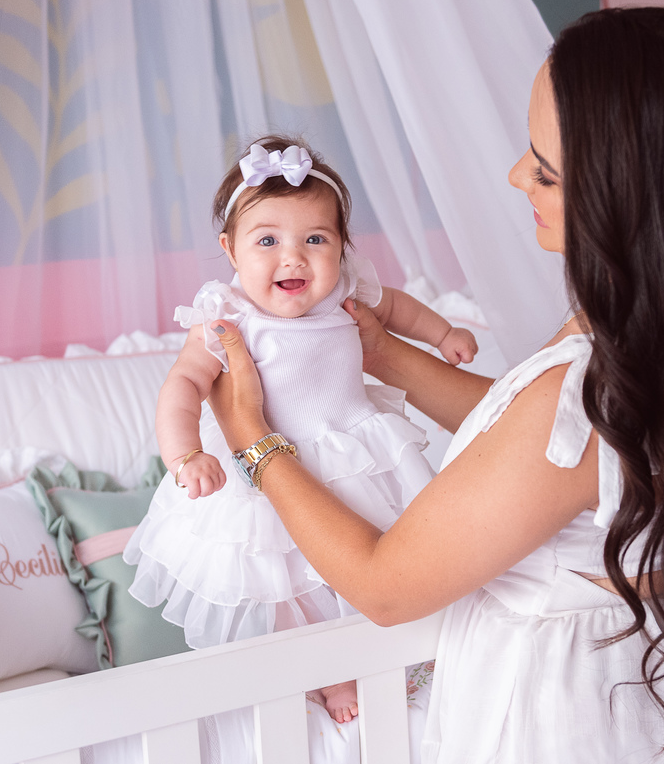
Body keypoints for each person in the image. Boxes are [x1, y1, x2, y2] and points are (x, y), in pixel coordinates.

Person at [204, 8, 664, 762]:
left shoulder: (589, 395)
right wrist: (388, 356)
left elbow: (384, 585)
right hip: (653, 698)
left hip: (565, 718)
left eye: (545, 168)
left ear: (630, 195)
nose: (516, 176)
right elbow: (527, 446)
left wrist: (253, 438)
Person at [123, 134, 478, 724]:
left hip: (357, 454)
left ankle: (398, 655)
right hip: (268, 473)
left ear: (342, 246)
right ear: (230, 249)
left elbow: (398, 310)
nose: (293, 258)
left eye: (316, 239)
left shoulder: (345, 291)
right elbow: (183, 384)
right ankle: (328, 676)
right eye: (267, 241)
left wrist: (443, 335)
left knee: (389, 552)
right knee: (286, 582)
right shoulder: (226, 315)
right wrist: (185, 455)